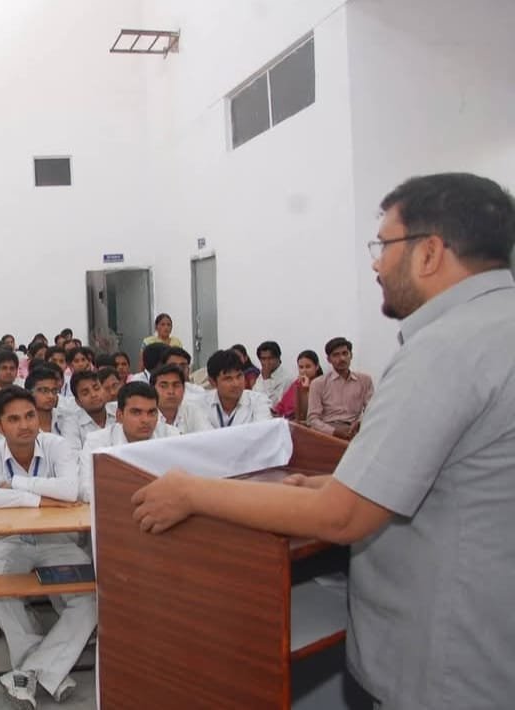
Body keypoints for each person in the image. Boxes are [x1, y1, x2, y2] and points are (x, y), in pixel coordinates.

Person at [130, 173, 515, 708]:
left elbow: (342, 517)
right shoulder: (497, 326)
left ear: (429, 252)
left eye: (384, 245)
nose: (376, 265)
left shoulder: (446, 348)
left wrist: (190, 491)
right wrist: (333, 482)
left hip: (453, 664)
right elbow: (461, 478)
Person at [0, 386, 91, 706]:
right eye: (14, 419)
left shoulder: (56, 446)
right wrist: (35, 499)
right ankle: (51, 671)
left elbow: (70, 489)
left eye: (30, 416)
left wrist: (15, 484)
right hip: (11, 540)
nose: (25, 425)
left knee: (90, 599)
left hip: (57, 541)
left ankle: (29, 672)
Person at [79, 381, 164, 502]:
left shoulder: (170, 436)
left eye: (152, 412)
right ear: (119, 416)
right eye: (136, 412)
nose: (145, 420)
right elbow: (85, 490)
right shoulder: (97, 442)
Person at [307, 337, 375, 440]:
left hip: (354, 430)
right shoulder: (318, 383)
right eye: (336, 355)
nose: (342, 358)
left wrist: (360, 423)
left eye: (345, 353)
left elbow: (372, 410)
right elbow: (312, 419)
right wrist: (334, 432)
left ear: (351, 355)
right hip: (327, 432)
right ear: (329, 359)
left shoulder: (365, 380)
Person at [203, 349, 272, 428]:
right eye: (228, 379)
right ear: (213, 382)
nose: (236, 384)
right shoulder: (201, 404)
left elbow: (262, 432)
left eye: (239, 376)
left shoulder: (259, 401)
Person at [151, 364, 211, 435]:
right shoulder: (146, 416)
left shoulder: (192, 410)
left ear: (184, 389)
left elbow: (209, 435)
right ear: (152, 389)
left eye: (176, 385)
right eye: (163, 386)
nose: (171, 391)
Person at [273, 350, 323, 420]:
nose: (304, 370)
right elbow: (283, 404)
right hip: (286, 420)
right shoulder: (297, 383)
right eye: (301, 367)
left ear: (317, 366)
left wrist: (306, 389)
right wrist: (276, 411)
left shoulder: (322, 383)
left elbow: (309, 411)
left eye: (308, 367)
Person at [70, 370, 114, 447]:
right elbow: (73, 454)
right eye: (85, 393)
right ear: (78, 402)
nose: (93, 395)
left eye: (97, 388)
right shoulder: (71, 424)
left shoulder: (120, 411)